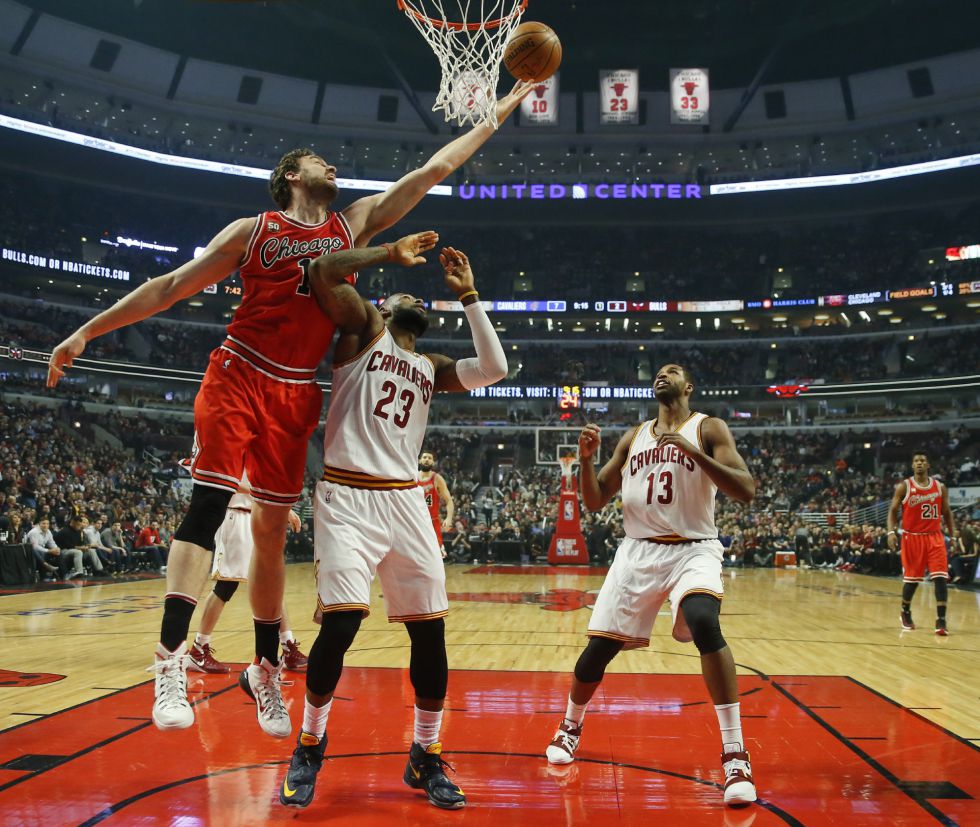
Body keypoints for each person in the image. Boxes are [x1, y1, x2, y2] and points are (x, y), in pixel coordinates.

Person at [45, 81, 533, 736]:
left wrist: (499, 111)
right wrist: (86, 332)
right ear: (291, 177)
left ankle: (265, 669)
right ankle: (169, 659)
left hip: (297, 390)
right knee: (208, 506)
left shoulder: (350, 225)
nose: (332, 166)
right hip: (240, 371)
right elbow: (170, 286)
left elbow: (432, 170)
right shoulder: (253, 231)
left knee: (272, 533)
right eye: (318, 161)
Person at [278, 241, 507, 810]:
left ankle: (425, 753)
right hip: (348, 494)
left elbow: (495, 369)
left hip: (405, 501)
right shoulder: (365, 329)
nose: (418, 300)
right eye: (407, 295)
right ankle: (310, 743)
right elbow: (323, 272)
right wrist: (388, 254)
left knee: (429, 633)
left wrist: (469, 295)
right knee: (342, 623)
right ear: (384, 304)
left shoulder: (431, 366)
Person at [544, 364, 759, 808]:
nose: (663, 375)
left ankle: (735, 755)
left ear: (689, 386)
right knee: (598, 649)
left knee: (704, 621)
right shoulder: (634, 436)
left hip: (693, 547)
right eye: (658, 372)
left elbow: (746, 489)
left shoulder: (708, 428)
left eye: (673, 371)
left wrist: (693, 452)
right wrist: (587, 460)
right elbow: (595, 500)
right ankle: (569, 726)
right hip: (638, 550)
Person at [188, 475, 309, 674]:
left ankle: (288, 647)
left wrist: (279, 508)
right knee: (225, 586)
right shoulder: (232, 454)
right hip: (235, 516)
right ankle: (198, 649)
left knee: (271, 583)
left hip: (257, 515)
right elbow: (230, 482)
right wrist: (270, 501)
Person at [887, 451, 958, 635]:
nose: (919, 463)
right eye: (916, 461)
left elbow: (947, 513)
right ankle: (905, 611)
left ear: (928, 465)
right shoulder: (904, 486)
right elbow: (893, 511)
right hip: (912, 538)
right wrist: (891, 532)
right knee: (912, 581)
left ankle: (941, 620)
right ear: (912, 465)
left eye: (923, 460)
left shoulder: (940, 487)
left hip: (935, 537)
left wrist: (953, 536)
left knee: (940, 577)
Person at [418, 450, 455, 557]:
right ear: (420, 460)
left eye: (429, 458)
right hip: (416, 520)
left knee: (436, 554)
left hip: (432, 522)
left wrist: (449, 518)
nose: (427, 460)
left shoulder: (437, 478)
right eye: (424, 457)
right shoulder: (412, 477)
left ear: (433, 462)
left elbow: (449, 501)